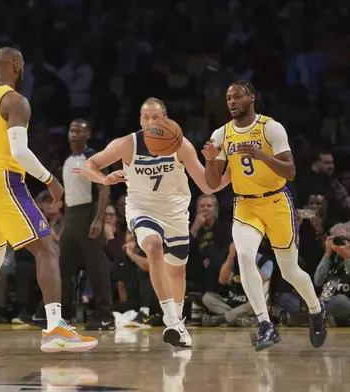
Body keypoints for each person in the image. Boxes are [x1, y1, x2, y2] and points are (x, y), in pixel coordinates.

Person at [0, 47, 97, 357]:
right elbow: (19, 152)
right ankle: (55, 328)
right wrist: (50, 179)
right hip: (2, 179)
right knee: (47, 248)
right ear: (17, 65)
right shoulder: (15, 100)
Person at [74, 97, 230, 348]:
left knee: (177, 270)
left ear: (165, 120)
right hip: (142, 209)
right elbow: (90, 164)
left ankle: (177, 323)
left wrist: (226, 176)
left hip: (175, 212)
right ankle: (171, 320)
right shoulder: (127, 144)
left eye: (156, 118)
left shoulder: (180, 144)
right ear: (139, 120)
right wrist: (104, 179)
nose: (150, 122)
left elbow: (205, 185)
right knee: (154, 247)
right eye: (145, 118)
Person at [202, 80, 327, 351]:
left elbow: (291, 172)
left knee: (290, 270)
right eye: (228, 98)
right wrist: (210, 159)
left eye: (237, 96)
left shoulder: (270, 127)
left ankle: (316, 310)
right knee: (245, 256)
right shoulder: (222, 133)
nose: (232, 102)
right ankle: (265, 324)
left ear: (251, 98)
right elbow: (212, 184)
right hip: (245, 205)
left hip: (276, 202)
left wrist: (262, 156)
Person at [60, 119, 114, 330]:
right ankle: (62, 315)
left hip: (88, 214)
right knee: (62, 267)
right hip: (71, 217)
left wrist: (99, 219)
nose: (74, 134)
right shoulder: (67, 160)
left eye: (79, 131)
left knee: (96, 266)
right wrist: (65, 222)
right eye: (71, 130)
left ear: (87, 135)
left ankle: (106, 316)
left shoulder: (93, 157)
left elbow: (104, 189)